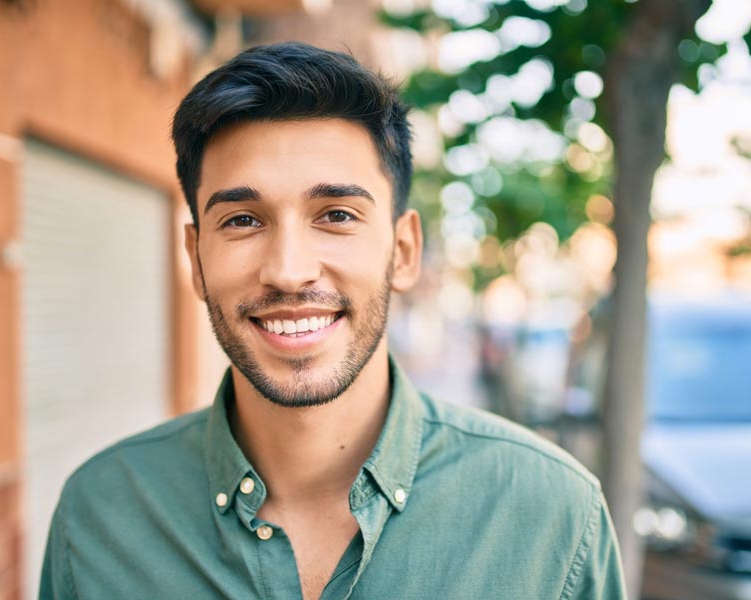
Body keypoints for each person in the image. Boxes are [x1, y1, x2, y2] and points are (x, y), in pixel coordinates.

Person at [39, 42, 626, 600]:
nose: (289, 272)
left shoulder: (553, 515)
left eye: (336, 214)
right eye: (243, 221)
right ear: (195, 259)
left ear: (402, 251)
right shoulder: (99, 515)